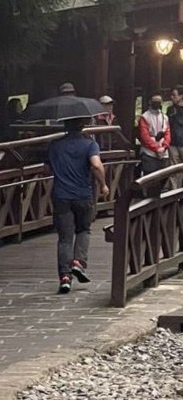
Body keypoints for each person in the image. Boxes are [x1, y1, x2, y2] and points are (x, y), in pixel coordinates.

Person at [46, 117, 109, 293]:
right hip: (83, 194)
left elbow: (47, 168)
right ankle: (78, 262)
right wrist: (103, 184)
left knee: (65, 238)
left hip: (61, 195)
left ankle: (65, 277)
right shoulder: (90, 144)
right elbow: (96, 165)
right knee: (83, 230)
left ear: (65, 125)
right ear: (83, 125)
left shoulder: (55, 145)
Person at [137, 94, 170, 177]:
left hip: (163, 153)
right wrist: (157, 148)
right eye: (155, 102)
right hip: (149, 153)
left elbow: (167, 133)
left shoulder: (165, 117)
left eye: (159, 102)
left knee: (163, 177)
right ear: (150, 102)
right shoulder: (145, 117)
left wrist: (164, 146)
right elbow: (145, 136)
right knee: (149, 177)